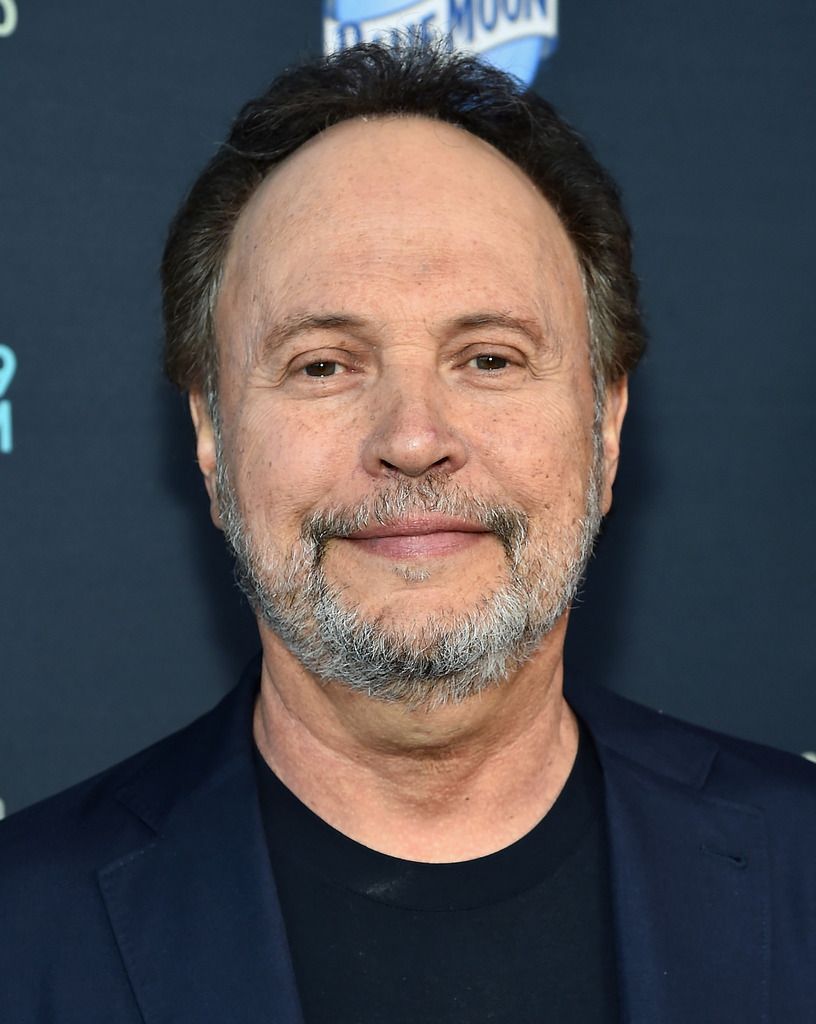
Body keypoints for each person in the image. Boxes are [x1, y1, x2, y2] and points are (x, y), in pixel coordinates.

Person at [1, 41, 814, 1024]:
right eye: (323, 366)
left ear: (605, 425)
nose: (414, 438)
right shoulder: (24, 931)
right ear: (213, 438)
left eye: (489, 358)